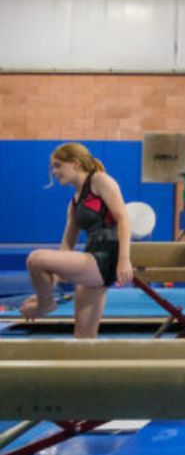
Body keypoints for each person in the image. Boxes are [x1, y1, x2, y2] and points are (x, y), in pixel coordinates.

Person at [21, 142, 133, 338]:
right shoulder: (74, 202)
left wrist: (124, 259)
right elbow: (66, 246)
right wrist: (48, 286)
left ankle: (45, 305)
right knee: (83, 336)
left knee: (35, 258)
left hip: (106, 259)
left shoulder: (100, 181)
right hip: (91, 261)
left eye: (58, 165)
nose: (55, 172)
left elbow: (123, 218)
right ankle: (46, 302)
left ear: (75, 163)